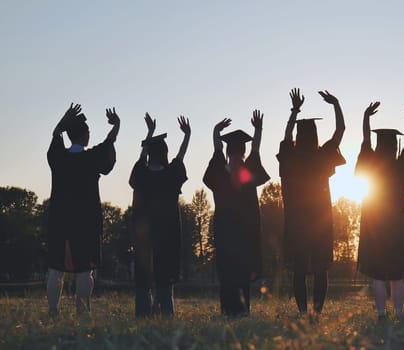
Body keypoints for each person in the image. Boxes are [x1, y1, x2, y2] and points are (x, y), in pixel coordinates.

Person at [46, 103, 120, 316]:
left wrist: (64, 119)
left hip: (60, 220)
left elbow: (55, 134)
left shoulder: (59, 157)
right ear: (86, 135)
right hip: (86, 222)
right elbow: (109, 143)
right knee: (84, 271)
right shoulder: (90, 158)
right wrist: (117, 125)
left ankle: (53, 311)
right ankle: (82, 312)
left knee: (55, 270)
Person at [277, 88, 346, 319]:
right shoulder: (322, 155)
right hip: (319, 219)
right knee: (320, 268)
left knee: (298, 269)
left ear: (299, 135)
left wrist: (294, 111)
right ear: (315, 135)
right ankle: (316, 313)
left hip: (297, 219)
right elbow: (340, 131)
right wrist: (335, 104)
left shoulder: (290, 156)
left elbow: (286, 136)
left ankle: (303, 311)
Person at [355, 101, 404, 319]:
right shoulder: (401, 166)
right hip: (398, 224)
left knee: (378, 274)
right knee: (397, 274)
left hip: (374, 223)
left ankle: (382, 313)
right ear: (394, 147)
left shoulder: (371, 164)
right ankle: (399, 312)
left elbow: (365, 141)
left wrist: (366, 117)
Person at [204, 110, 270, 317]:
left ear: (227, 151)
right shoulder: (248, 170)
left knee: (227, 273)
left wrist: (216, 132)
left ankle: (227, 311)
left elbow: (216, 152)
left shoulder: (219, 173)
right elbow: (256, 149)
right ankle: (243, 310)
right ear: (242, 151)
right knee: (242, 273)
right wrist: (258, 129)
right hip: (245, 232)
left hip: (225, 231)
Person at [129, 113, 190, 318]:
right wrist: (187, 136)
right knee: (165, 277)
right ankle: (166, 315)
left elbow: (140, 159)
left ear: (148, 154)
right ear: (164, 154)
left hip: (144, 236)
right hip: (167, 235)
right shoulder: (171, 175)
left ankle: (142, 315)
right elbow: (180, 157)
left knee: (143, 278)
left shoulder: (141, 175)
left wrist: (150, 133)